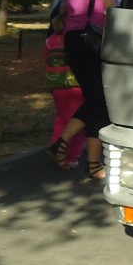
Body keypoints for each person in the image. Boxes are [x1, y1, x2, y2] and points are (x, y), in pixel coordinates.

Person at [47, 0, 118, 181]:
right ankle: (64, 142)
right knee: (100, 99)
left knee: (96, 101)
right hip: (93, 41)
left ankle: (93, 165)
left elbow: (65, 8)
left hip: (72, 41)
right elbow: (111, 10)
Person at [43, 16, 86, 168]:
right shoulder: (77, 38)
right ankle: (72, 157)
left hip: (57, 85)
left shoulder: (50, 40)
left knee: (62, 119)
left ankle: (56, 149)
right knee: (79, 121)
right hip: (78, 85)